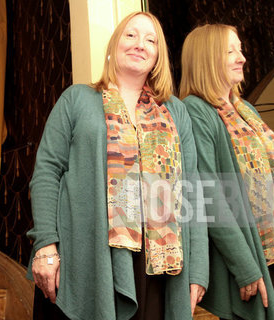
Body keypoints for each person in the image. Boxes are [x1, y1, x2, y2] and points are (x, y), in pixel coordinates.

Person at [26, 11, 209, 320]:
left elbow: (192, 190)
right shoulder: (77, 99)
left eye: (151, 40)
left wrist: (198, 270)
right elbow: (46, 173)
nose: (140, 44)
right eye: (131, 35)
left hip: (157, 268)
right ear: (113, 45)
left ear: (158, 56)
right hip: (83, 259)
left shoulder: (176, 112)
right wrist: (46, 245)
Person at [180, 23, 274, 320]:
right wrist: (244, 266)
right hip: (256, 250)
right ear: (207, 58)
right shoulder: (196, 111)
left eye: (241, 49)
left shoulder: (244, 108)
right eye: (230, 50)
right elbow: (210, 194)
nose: (242, 57)